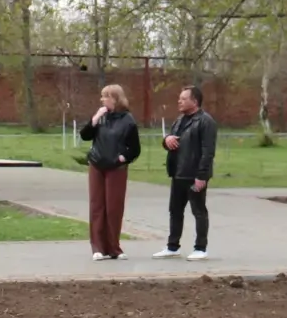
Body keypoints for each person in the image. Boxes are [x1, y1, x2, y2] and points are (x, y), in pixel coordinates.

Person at [80, 85, 141, 260]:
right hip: (97, 165)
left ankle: (114, 247)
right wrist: (95, 118)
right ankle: (98, 247)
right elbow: (85, 135)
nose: (102, 100)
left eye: (105, 96)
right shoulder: (101, 118)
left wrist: (123, 158)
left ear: (115, 98)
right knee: (97, 205)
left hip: (116, 168)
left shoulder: (128, 120)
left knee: (114, 207)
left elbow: (135, 148)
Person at [155, 84, 216, 259]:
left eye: (183, 99)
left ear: (194, 101)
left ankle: (200, 248)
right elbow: (171, 141)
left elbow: (208, 151)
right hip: (178, 172)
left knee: (198, 210)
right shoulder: (179, 120)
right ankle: (172, 246)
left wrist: (202, 176)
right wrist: (166, 140)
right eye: (179, 98)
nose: (179, 102)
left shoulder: (206, 122)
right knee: (175, 210)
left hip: (194, 174)